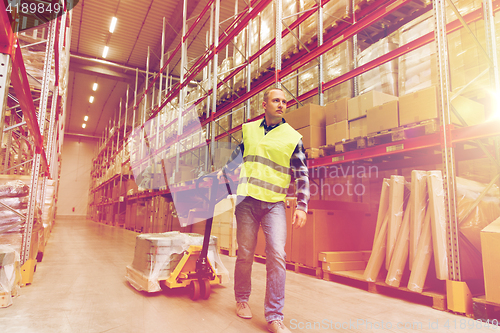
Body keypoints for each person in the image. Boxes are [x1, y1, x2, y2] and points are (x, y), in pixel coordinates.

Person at [217, 87, 310, 333]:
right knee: (245, 253)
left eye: (284, 102)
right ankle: (242, 300)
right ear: (264, 105)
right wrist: (223, 177)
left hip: (274, 204)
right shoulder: (248, 130)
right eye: (276, 100)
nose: (281, 104)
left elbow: (302, 173)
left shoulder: (293, 137)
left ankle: (275, 316)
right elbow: (237, 159)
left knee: (277, 254)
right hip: (247, 201)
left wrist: (302, 205)